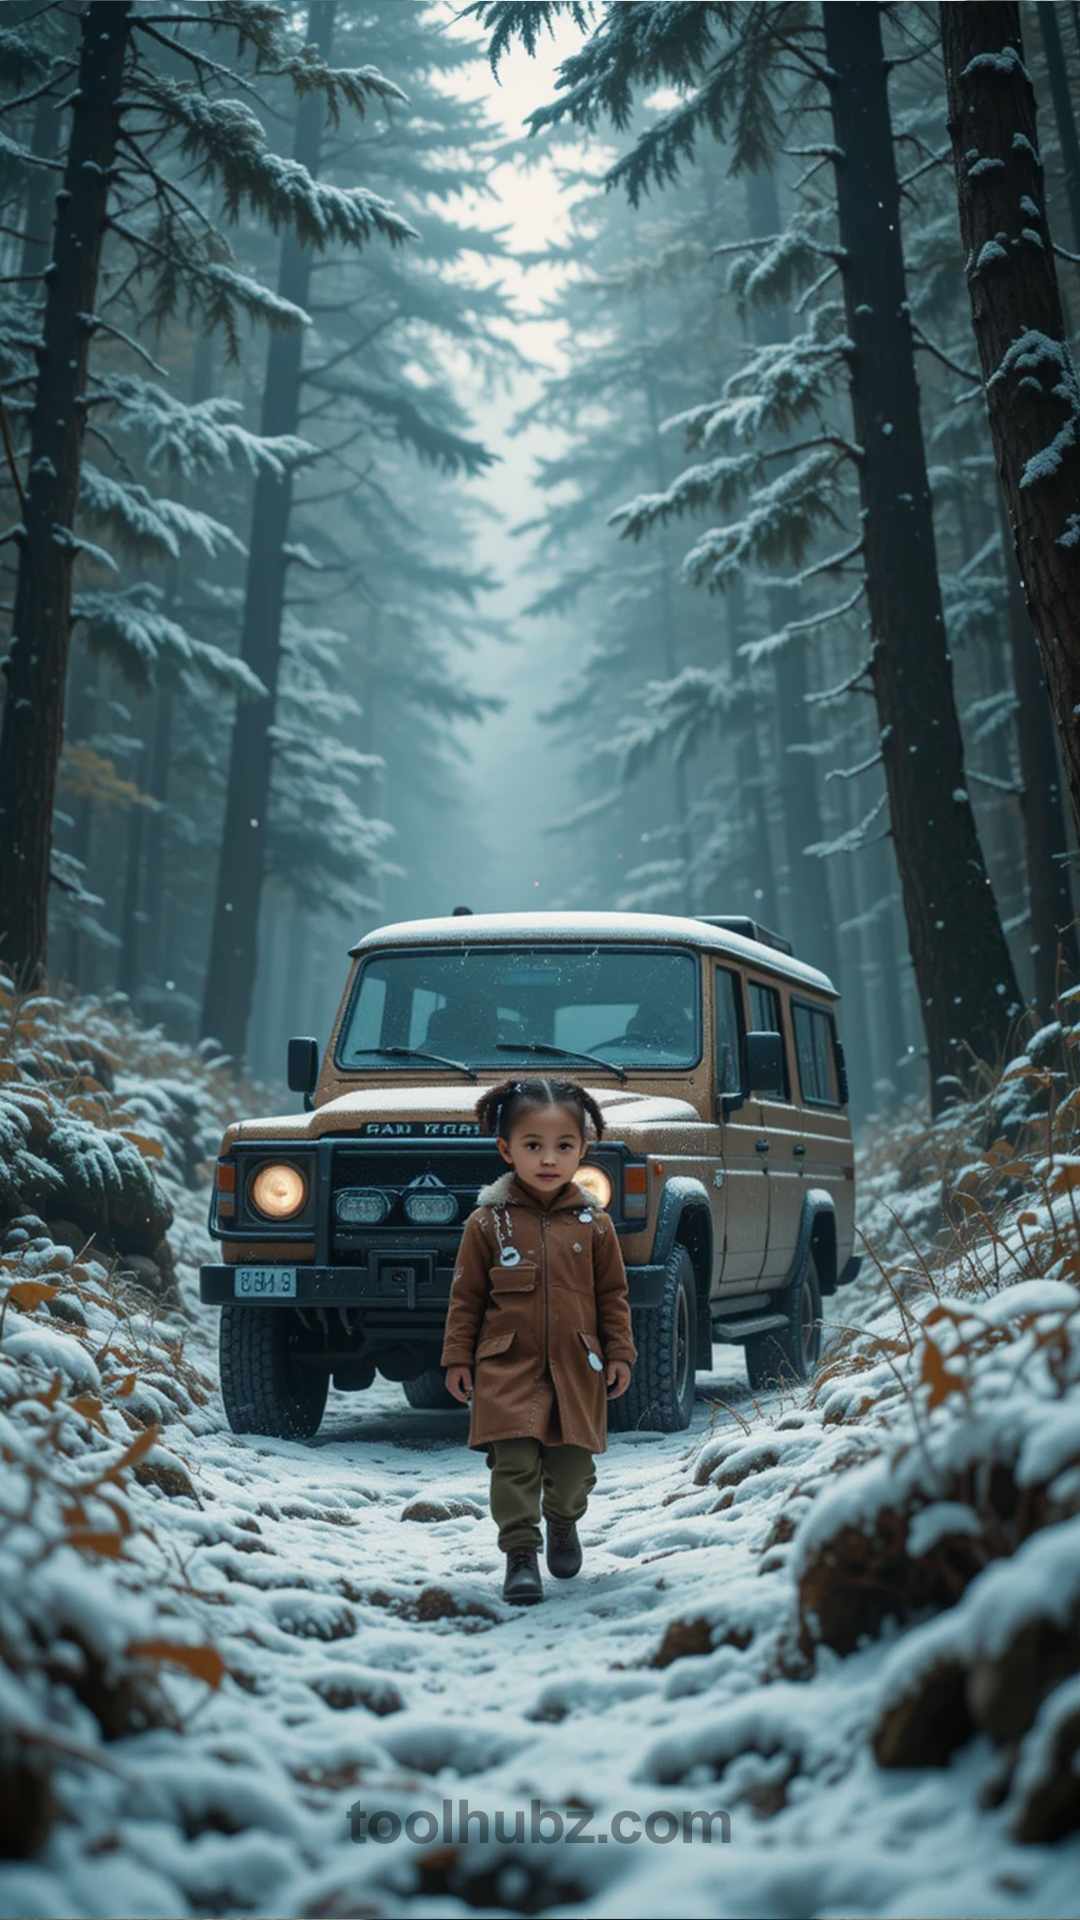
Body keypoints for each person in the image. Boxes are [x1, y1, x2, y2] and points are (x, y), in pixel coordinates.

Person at [441, 1074, 636, 1605]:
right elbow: (467, 1298)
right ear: (506, 1150)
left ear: (583, 1151)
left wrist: (619, 1352)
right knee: (514, 1465)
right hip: (508, 1367)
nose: (548, 1159)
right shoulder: (488, 1223)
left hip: (577, 1366)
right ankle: (520, 1553)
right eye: (533, 1146)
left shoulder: (594, 1225)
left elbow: (613, 1296)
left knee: (573, 1471)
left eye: (563, 1146)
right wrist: (458, 1357)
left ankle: (563, 1520)